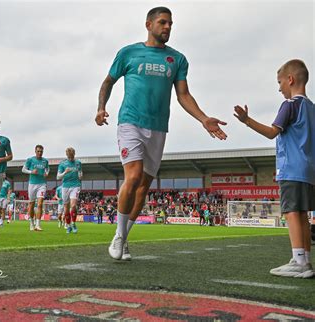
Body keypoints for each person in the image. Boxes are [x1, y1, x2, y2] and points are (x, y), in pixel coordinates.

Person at [95, 6, 227, 261]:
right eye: (163, 22)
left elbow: (183, 95)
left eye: (170, 24)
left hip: (158, 128)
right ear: (149, 24)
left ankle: (123, 235)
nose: (167, 27)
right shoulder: (128, 53)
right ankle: (119, 237)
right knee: (132, 177)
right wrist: (101, 108)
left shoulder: (177, 59)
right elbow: (108, 81)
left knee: (143, 188)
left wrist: (203, 119)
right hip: (130, 122)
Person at [234, 59, 314, 278]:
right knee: (303, 215)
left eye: (280, 82)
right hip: (308, 170)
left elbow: (272, 132)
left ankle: (299, 262)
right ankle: (304, 260)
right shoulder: (311, 107)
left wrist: (247, 120)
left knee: (291, 213)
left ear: (290, 79)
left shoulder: (290, 105)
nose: (279, 88)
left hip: (291, 168)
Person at [22, 145, 49, 231]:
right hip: (32, 184)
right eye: (38, 151)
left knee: (40, 204)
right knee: (31, 204)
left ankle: (38, 224)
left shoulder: (45, 161)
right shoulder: (30, 160)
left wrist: (46, 173)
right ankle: (31, 222)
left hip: (42, 184)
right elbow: (23, 169)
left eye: (41, 151)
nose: (40, 153)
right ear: (35, 151)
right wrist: (31, 172)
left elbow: (47, 169)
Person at [57, 147, 82, 234]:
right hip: (65, 186)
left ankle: (73, 223)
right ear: (67, 155)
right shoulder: (62, 164)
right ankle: (68, 226)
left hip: (75, 185)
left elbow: (80, 174)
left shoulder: (78, 163)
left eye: (72, 156)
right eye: (69, 157)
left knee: (73, 205)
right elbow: (58, 177)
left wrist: (80, 175)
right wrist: (65, 172)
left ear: (74, 154)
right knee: (66, 209)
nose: (71, 158)